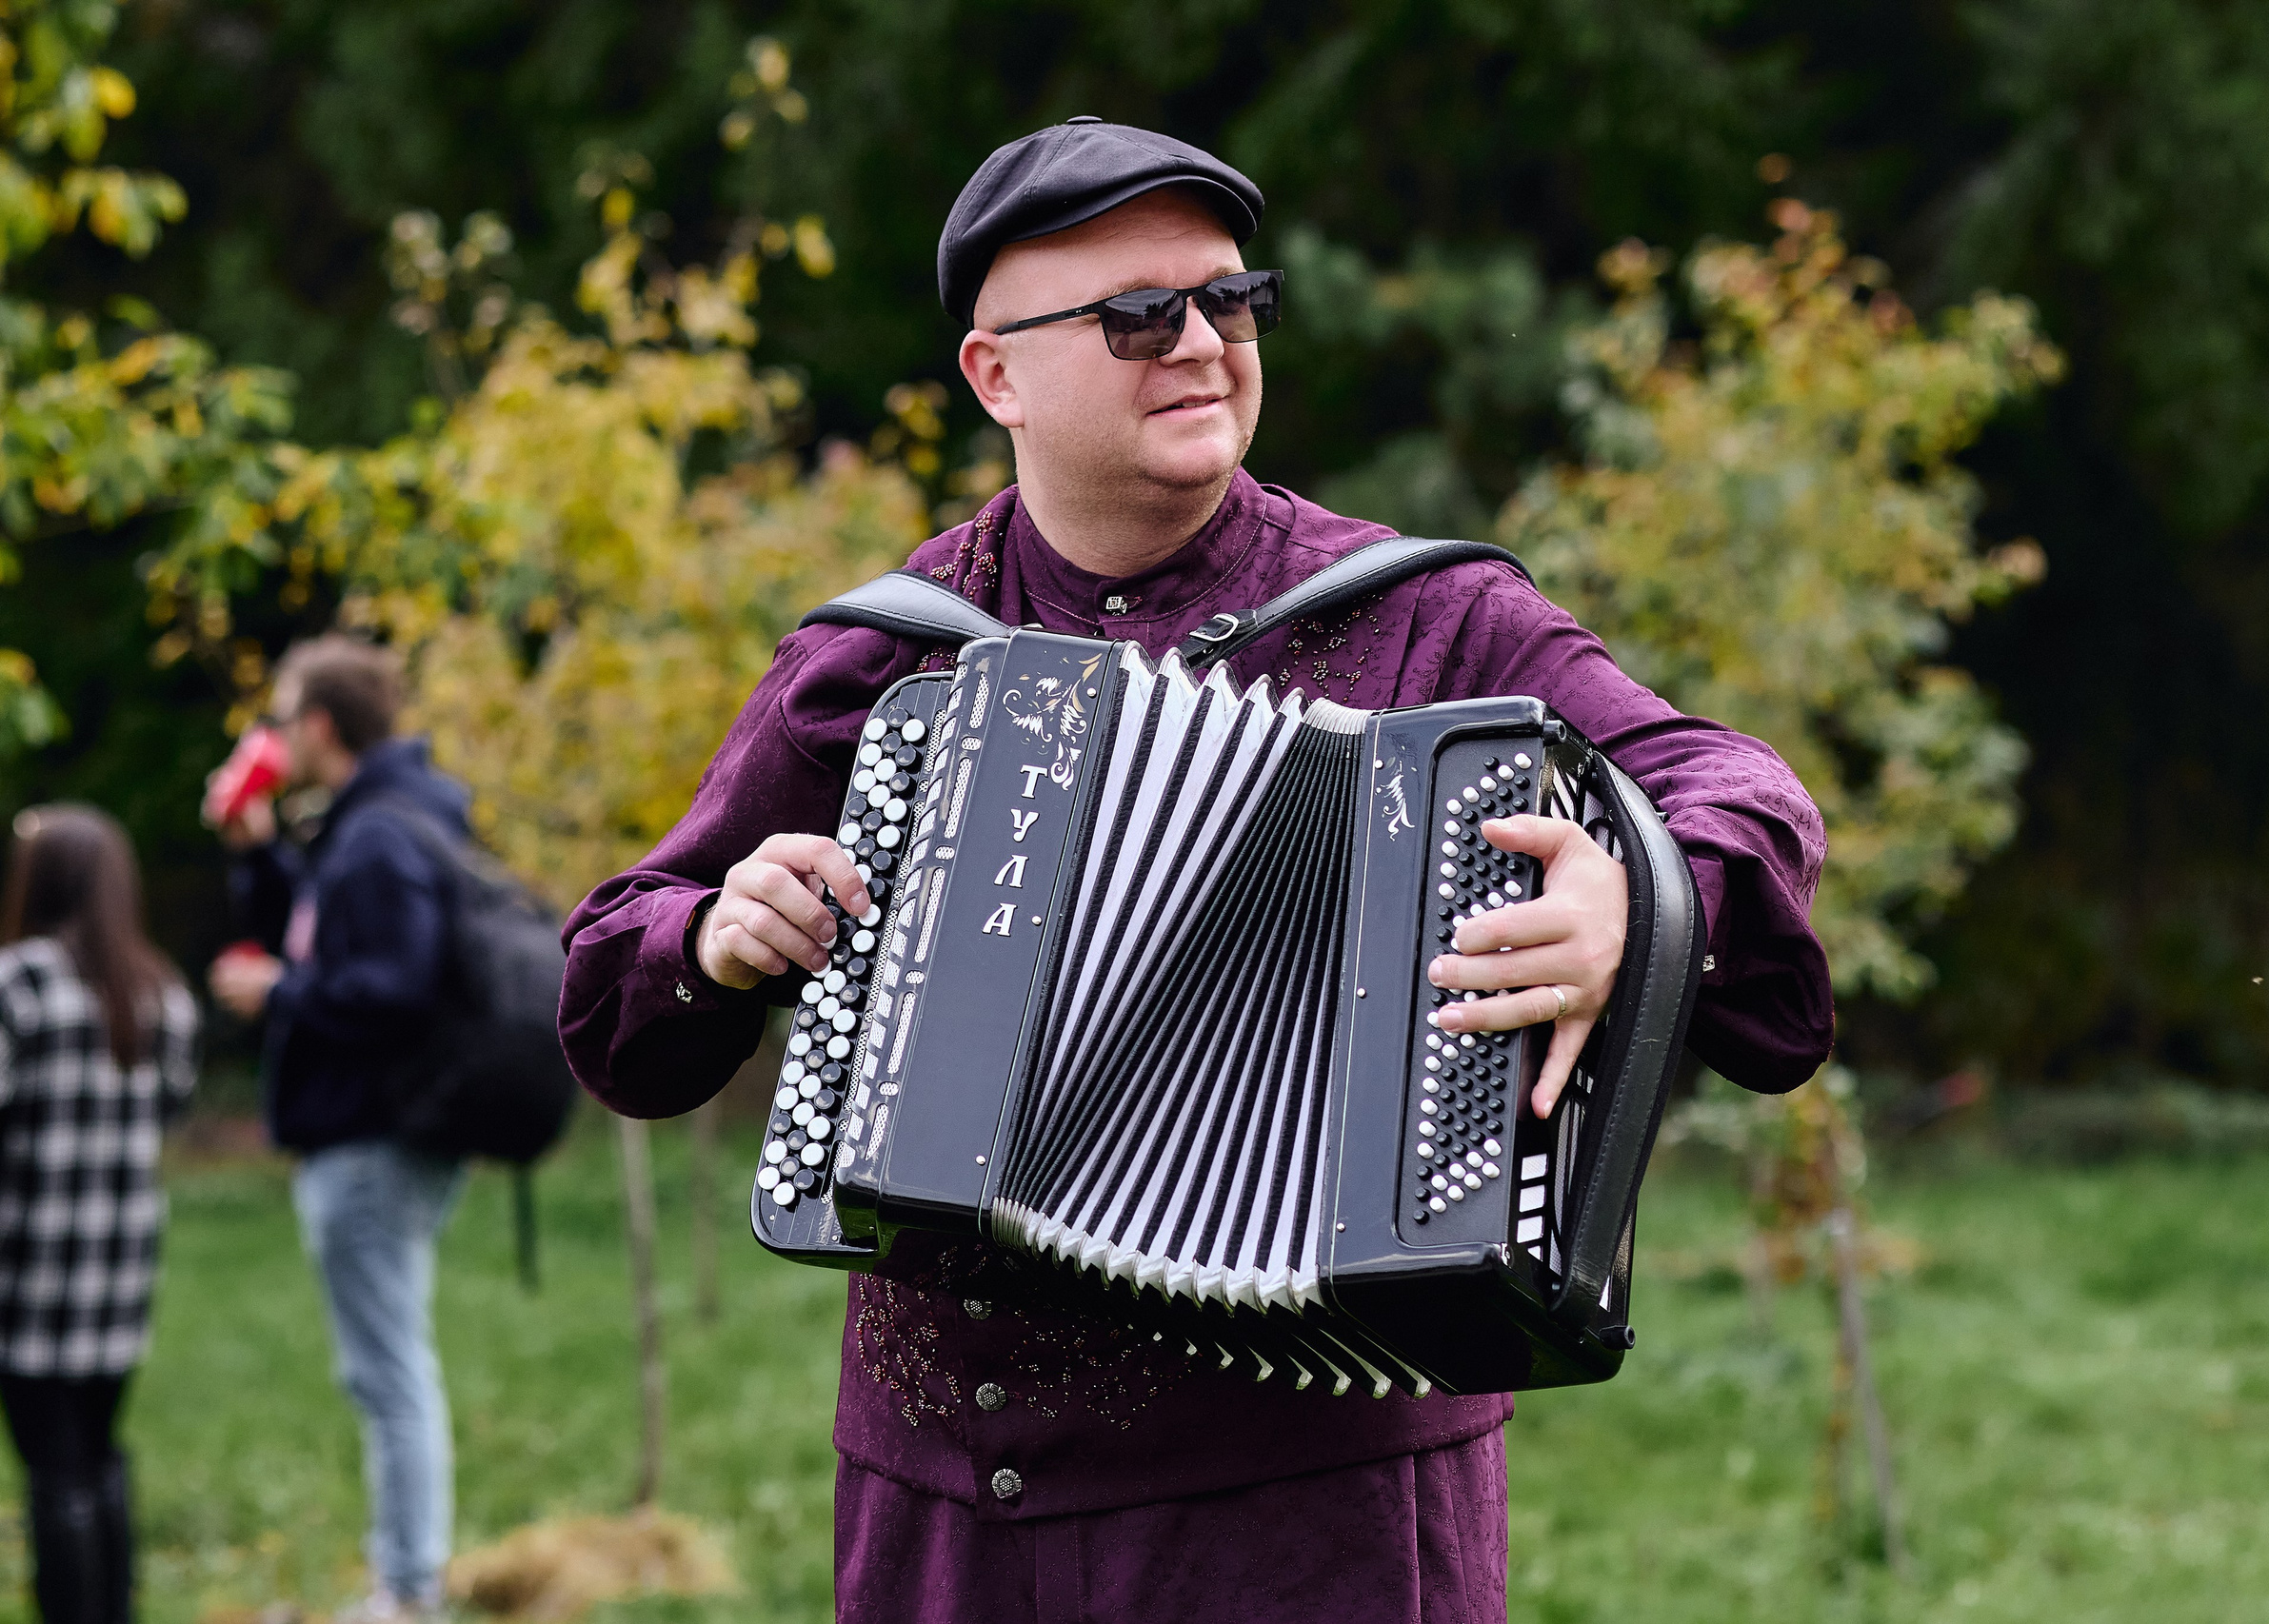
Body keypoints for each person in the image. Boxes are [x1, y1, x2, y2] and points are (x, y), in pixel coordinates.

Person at [561, 119, 1834, 1622]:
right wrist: (716, 933)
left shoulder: (1436, 619)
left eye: (1231, 301)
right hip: (957, 1513)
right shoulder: (885, 652)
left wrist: (1639, 883)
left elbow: (1738, 784)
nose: (1201, 344)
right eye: (1136, 315)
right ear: (997, 376)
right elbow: (611, 973)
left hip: (1320, 1506)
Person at [209, 637, 469, 1624]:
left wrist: (279, 986)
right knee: (389, 1358)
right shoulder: (372, 823)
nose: (270, 734)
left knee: (388, 1367)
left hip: (371, 1137)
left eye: (281, 715)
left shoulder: (378, 835)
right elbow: (321, 933)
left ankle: (407, 1591)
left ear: (319, 726)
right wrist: (255, 853)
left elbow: (395, 984)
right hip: (375, 1131)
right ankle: (405, 1578)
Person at [0, 804, 197, 1624]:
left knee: (53, 1465)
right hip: (118, 1269)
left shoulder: (21, 982)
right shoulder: (161, 991)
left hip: (30, 1270)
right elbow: (174, 1112)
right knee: (98, 1451)